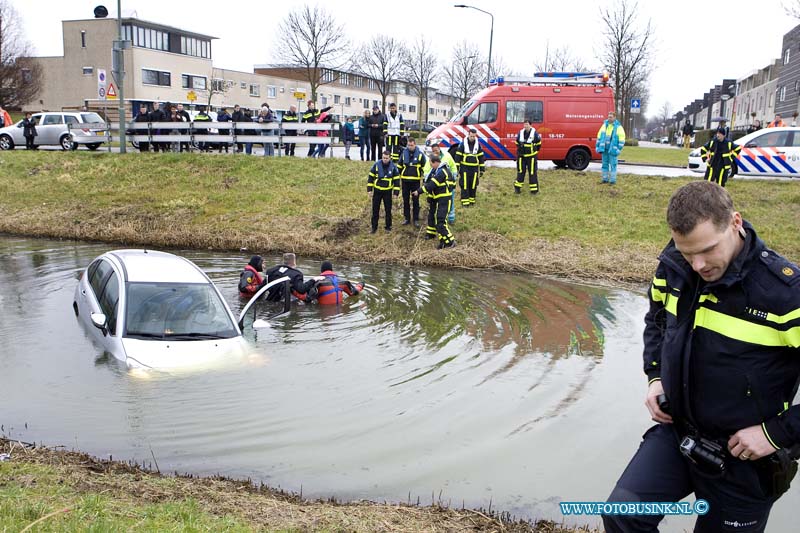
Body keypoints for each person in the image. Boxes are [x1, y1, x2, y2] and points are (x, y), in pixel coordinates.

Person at [604, 181, 800, 533]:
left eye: (708, 250)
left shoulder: (786, 295)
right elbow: (658, 319)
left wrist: (774, 434)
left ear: (735, 223)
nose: (697, 265)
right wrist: (655, 377)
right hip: (680, 433)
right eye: (686, 251)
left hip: (746, 458)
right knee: (623, 515)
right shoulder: (675, 265)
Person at [413, 155, 455, 249]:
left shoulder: (442, 172)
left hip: (444, 200)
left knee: (441, 222)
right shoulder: (438, 171)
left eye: (431, 163)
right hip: (440, 199)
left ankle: (450, 242)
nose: (431, 165)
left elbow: (431, 185)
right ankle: (443, 242)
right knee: (438, 221)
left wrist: (418, 191)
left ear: (435, 162)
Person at [424, 140, 458, 224]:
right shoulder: (431, 159)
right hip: (436, 186)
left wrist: (453, 177)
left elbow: (453, 166)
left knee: (451, 201)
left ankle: (451, 218)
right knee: (438, 204)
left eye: (436, 150)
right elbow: (426, 171)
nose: (436, 152)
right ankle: (439, 219)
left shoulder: (447, 155)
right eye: (434, 151)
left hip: (448, 184)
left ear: (439, 149)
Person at [367, 150, 400, 234]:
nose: (385, 159)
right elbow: (371, 177)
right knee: (375, 210)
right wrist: (369, 190)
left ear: (390, 158)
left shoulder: (393, 167)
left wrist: (396, 193)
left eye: (386, 158)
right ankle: (374, 228)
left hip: (387, 192)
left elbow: (396, 181)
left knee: (388, 210)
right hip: (377, 191)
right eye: (383, 158)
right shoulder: (376, 165)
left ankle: (388, 227)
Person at [397, 137, 427, 227]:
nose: (410, 147)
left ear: (415, 145)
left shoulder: (420, 155)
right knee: (405, 200)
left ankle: (416, 219)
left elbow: (424, 169)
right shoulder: (403, 154)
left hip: (415, 182)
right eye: (409, 145)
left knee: (415, 201)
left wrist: (424, 180)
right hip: (405, 181)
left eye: (412, 145)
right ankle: (407, 218)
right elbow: (399, 166)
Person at [454, 129, 485, 207]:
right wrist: (456, 168)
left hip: (474, 168)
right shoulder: (462, 144)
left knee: (473, 184)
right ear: (468, 135)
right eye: (471, 136)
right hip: (465, 167)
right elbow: (458, 156)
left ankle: (472, 200)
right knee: (465, 184)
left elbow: (481, 157)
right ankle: (465, 202)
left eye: (474, 136)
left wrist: (481, 169)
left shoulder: (478, 145)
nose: (472, 138)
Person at [596, 110, 626, 185]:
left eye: (611, 117)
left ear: (614, 117)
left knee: (613, 165)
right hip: (604, 149)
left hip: (613, 149)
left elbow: (622, 139)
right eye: (608, 117)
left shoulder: (619, 127)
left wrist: (618, 149)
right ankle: (605, 179)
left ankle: (612, 181)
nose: (609, 118)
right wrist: (597, 146)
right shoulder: (604, 125)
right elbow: (599, 136)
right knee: (604, 165)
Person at [515, 120, 542, 194]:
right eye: (524, 125)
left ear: (530, 125)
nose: (525, 126)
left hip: (531, 157)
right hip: (521, 156)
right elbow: (516, 142)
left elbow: (539, 144)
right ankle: (517, 188)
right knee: (520, 171)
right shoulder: (520, 133)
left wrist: (533, 150)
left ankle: (534, 190)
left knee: (532, 172)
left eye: (527, 125)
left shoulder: (535, 134)